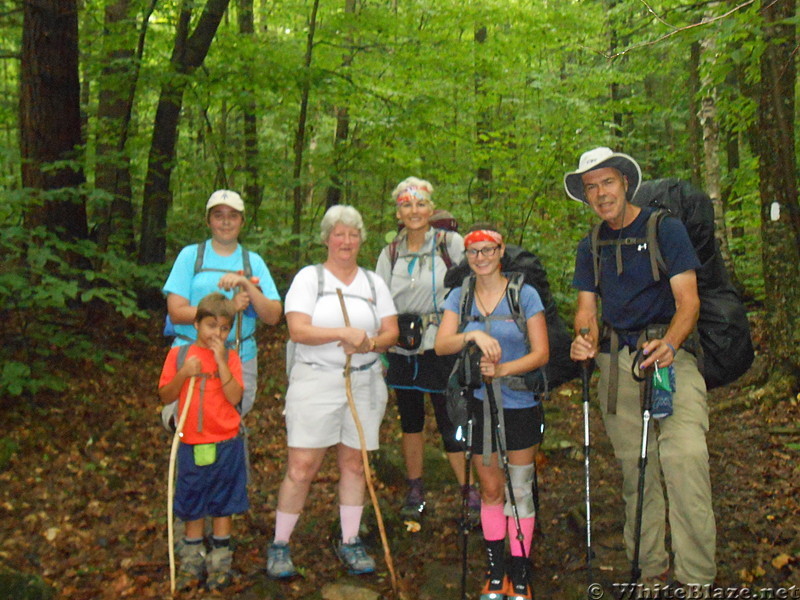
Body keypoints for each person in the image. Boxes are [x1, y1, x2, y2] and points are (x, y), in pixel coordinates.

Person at [565, 147, 716, 591]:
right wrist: (584, 338)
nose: (600, 193)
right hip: (616, 367)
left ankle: (696, 578)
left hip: (671, 360)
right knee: (636, 471)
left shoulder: (664, 229)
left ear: (625, 183)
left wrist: (669, 344)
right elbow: (586, 308)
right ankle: (649, 568)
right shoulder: (589, 245)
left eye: (606, 182)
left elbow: (689, 302)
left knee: (684, 458)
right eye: (591, 187)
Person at [266, 205, 399, 579]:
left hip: (364, 382)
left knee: (354, 464)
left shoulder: (373, 283)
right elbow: (298, 330)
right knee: (302, 466)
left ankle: (351, 539)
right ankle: (280, 543)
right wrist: (342, 334)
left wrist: (370, 343)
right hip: (316, 380)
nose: (346, 241)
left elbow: (391, 332)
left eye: (353, 234)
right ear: (326, 239)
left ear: (361, 240)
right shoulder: (310, 279)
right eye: (338, 234)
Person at [435, 225, 549, 600]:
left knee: (520, 487)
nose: (480, 258)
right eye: (473, 252)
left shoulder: (524, 295)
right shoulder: (459, 296)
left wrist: (502, 370)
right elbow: (441, 345)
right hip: (477, 405)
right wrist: (474, 335)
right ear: (466, 257)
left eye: (488, 250)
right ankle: (496, 573)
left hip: (520, 403)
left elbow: (541, 353)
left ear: (501, 252)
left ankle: (520, 571)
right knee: (490, 488)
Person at [375, 177, 477, 523]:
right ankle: (415, 488)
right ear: (398, 212)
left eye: (420, 204)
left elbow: (472, 285)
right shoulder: (390, 253)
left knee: (451, 419)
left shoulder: (451, 244)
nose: (414, 211)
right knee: (411, 422)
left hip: (442, 344)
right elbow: (379, 301)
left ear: (431, 209)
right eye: (406, 205)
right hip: (403, 348)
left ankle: (470, 492)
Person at [162, 189, 282, 427]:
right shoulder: (190, 256)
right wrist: (229, 308)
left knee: (227, 425)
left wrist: (247, 284)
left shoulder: (253, 262)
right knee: (188, 424)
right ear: (208, 221)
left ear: (242, 221)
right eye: (218, 215)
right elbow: (176, 312)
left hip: (239, 357)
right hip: (191, 356)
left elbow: (273, 315)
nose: (226, 221)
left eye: (233, 215)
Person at [158, 293, 246, 590]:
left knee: (223, 502)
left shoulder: (231, 357)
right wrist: (185, 373)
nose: (216, 334)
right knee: (192, 500)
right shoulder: (180, 355)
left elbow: (235, 398)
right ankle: (192, 557)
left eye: (223, 329)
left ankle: (220, 559)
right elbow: (166, 395)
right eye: (210, 326)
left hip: (226, 442)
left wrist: (221, 361)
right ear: (196, 323)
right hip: (192, 442)